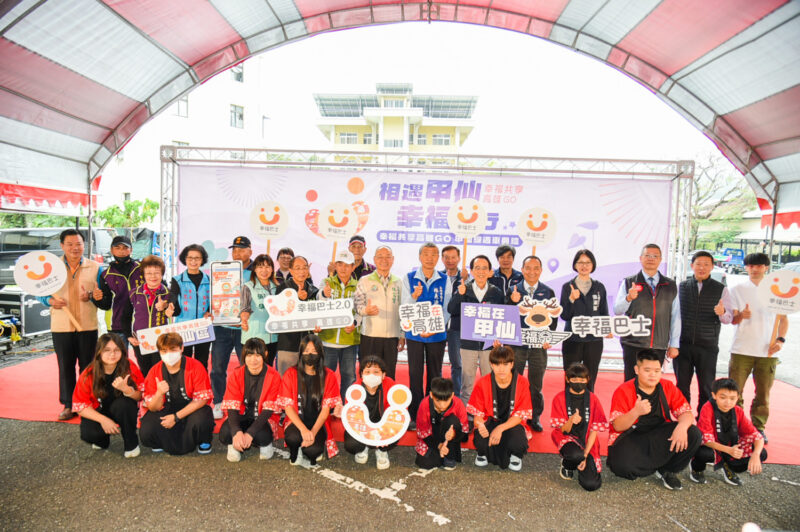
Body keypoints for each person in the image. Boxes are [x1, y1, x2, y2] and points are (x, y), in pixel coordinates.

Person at [606, 350, 702, 490]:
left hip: (659, 432)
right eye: (647, 370)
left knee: (693, 433)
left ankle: (668, 470)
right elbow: (618, 426)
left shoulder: (667, 386)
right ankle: (655, 465)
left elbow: (686, 413)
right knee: (622, 468)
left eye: (657, 371)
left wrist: (681, 427)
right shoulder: (624, 390)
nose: (653, 375)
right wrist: (636, 412)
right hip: (631, 435)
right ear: (637, 370)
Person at [38, 229, 102, 420]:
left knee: (88, 366)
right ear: (62, 246)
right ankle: (68, 405)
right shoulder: (51, 268)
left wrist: (91, 296)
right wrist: (50, 301)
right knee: (65, 366)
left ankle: (87, 401)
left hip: (87, 324)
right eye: (70, 244)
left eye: (79, 244)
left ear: (84, 245)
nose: (75, 248)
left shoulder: (95, 267)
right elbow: (40, 292)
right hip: (61, 325)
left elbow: (102, 294)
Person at [727, 252, 788, 442]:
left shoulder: (777, 290)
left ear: (766, 268)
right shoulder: (736, 289)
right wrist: (741, 316)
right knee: (734, 392)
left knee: (763, 393)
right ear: (746, 267)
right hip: (741, 349)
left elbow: (783, 320)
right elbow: (732, 320)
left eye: (759, 266)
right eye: (751, 266)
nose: (755, 269)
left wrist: (780, 341)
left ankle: (758, 428)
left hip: (767, 351)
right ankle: (737, 427)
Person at [675, 250, 734, 413]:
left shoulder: (721, 289)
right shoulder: (682, 287)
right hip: (683, 345)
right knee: (682, 386)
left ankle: (704, 419)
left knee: (707, 387)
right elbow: (675, 316)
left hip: (707, 347)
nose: (702, 268)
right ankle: (683, 417)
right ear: (692, 266)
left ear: (712, 267)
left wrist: (722, 312)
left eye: (706, 264)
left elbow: (729, 319)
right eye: (698, 264)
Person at [614, 243, 680, 381]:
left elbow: (676, 317)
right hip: (633, 343)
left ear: (660, 259)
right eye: (647, 255)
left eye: (655, 256)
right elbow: (618, 310)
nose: (651, 258)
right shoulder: (629, 282)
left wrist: (674, 344)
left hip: (659, 344)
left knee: (652, 382)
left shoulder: (670, 285)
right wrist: (628, 298)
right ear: (640, 258)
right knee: (631, 382)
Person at [140, 332, 215, 455]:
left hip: (192, 407)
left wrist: (176, 417)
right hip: (166, 407)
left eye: (173, 349)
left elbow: (202, 399)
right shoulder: (154, 371)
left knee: (202, 420)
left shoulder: (195, 366)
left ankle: (203, 440)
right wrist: (159, 393)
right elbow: (153, 407)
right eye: (164, 351)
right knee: (146, 430)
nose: (169, 354)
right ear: (159, 352)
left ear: (182, 348)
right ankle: (159, 442)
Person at [72, 333, 144, 458]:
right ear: (99, 352)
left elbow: (140, 396)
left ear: (122, 351)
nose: (112, 354)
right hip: (98, 411)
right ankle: (103, 440)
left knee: (125, 405)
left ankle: (131, 442)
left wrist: (127, 390)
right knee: (89, 434)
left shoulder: (129, 366)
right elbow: (80, 406)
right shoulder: (89, 373)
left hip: (120, 409)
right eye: (107, 350)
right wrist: (103, 420)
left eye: (116, 350)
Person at [401, 242, 451, 420]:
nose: (430, 258)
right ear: (420, 257)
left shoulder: (445, 279)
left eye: (434, 255)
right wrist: (414, 296)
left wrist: (434, 328)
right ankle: (415, 412)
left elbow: (447, 308)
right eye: (426, 254)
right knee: (414, 373)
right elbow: (404, 305)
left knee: (434, 374)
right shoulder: (409, 277)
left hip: (436, 335)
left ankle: (433, 411)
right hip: (414, 334)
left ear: (438, 258)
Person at [447, 255, 505, 404]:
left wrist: (500, 338)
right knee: (467, 384)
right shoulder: (463, 288)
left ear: (490, 272)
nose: (481, 271)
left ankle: (488, 412)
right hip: (467, 344)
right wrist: (459, 295)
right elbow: (451, 310)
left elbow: (503, 317)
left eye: (484, 268)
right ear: (471, 271)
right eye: (477, 268)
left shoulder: (497, 292)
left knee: (489, 382)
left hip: (489, 345)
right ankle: (466, 415)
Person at [507, 255, 556, 432]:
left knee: (536, 384)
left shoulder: (548, 291)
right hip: (517, 345)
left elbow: (553, 318)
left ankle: (534, 417)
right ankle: (514, 414)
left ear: (541, 270)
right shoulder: (513, 290)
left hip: (538, 347)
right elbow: (504, 315)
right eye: (528, 268)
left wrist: (548, 338)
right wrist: (511, 302)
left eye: (536, 268)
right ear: (522, 269)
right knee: (514, 382)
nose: (532, 272)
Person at [278, 334, 341, 466]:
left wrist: (312, 433)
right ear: (301, 353)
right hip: (296, 421)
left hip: (318, 423)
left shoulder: (329, 375)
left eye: (314, 351)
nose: (310, 354)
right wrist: (304, 430)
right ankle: (295, 451)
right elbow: (288, 407)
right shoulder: (290, 373)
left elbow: (325, 411)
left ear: (320, 353)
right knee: (293, 438)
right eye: (306, 351)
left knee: (313, 452)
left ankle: (311, 445)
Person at [689, 378, 767, 486]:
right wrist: (729, 450)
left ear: (738, 397)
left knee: (761, 452)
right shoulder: (707, 408)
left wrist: (756, 455)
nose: (728, 402)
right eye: (723, 397)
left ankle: (729, 466)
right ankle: (696, 469)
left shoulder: (738, 410)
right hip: (713, 447)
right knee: (703, 453)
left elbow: (756, 436)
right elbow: (706, 439)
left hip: (731, 446)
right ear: (714, 395)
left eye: (732, 398)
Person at [467, 345, 532, 472]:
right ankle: (482, 453)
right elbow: (477, 415)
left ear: (512, 364)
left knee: (518, 443)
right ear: (491, 365)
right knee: (480, 439)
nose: (501, 369)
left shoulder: (522, 382)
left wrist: (500, 428)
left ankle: (515, 455)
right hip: (490, 420)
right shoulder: (482, 382)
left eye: (505, 364)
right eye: (497, 364)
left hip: (512, 422)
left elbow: (520, 416)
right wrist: (480, 425)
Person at [210, 236, 254, 419]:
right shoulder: (223, 269)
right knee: (218, 366)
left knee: (247, 367)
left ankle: (246, 401)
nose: (237, 253)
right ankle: (218, 402)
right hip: (222, 325)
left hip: (245, 327)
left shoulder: (257, 271)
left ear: (250, 251)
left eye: (242, 249)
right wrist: (211, 310)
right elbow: (215, 293)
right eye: (234, 250)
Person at [219, 338, 282, 462]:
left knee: (263, 436)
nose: (253, 360)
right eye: (249, 355)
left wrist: (250, 433)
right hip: (241, 415)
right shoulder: (237, 374)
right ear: (244, 355)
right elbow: (232, 406)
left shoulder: (274, 376)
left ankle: (264, 443)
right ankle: (234, 444)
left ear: (265, 354)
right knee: (226, 433)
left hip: (263, 418)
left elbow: (268, 410)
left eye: (257, 355)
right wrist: (236, 432)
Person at [550, 363, 606, 491]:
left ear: (588, 379)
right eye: (574, 380)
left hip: (587, 441)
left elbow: (594, 430)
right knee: (575, 455)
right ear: (567, 379)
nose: (578, 383)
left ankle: (580, 459)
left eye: (582, 380)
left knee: (591, 484)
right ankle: (568, 465)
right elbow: (562, 430)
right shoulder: (559, 398)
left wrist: (585, 455)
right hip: (567, 438)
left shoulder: (593, 399)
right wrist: (570, 420)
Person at [559, 249, 609, 391]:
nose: (584, 266)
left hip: (594, 340)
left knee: (590, 378)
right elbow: (564, 315)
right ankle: (569, 403)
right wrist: (571, 299)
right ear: (575, 265)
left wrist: (606, 329)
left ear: (593, 265)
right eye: (580, 262)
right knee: (571, 376)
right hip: (572, 339)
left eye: (588, 262)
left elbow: (604, 313)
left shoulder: (599, 287)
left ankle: (588, 403)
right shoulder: (567, 287)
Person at [355, 245, 404, 379]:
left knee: (389, 375)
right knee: (368, 374)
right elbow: (357, 305)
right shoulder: (365, 280)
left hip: (392, 337)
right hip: (370, 336)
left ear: (392, 259)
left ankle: (386, 394)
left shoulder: (399, 282)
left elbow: (402, 311)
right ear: (374, 259)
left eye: (388, 257)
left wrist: (402, 334)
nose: (384, 260)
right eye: (380, 257)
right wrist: (365, 310)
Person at [89, 235, 143, 350]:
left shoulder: (142, 269)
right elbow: (106, 305)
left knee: (147, 360)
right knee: (119, 359)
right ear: (112, 250)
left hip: (142, 323)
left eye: (125, 248)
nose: (121, 251)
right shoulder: (106, 275)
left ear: (131, 250)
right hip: (117, 325)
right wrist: (96, 299)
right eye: (117, 248)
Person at [344, 356, 398, 469]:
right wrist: (366, 436)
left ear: (383, 375)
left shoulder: (391, 385)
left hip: (382, 425)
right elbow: (351, 417)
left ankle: (381, 451)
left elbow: (398, 412)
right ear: (361, 374)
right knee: (351, 444)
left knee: (396, 433)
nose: (371, 375)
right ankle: (364, 447)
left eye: (376, 372)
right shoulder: (355, 388)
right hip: (362, 426)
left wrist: (387, 434)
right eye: (367, 372)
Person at [320, 250, 360, 400]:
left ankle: (346, 406)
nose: (343, 268)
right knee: (325, 377)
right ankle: (325, 407)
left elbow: (361, 309)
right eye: (340, 264)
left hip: (349, 341)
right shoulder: (326, 282)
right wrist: (323, 294)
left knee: (349, 377)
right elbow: (318, 303)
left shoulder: (358, 285)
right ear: (335, 266)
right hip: (328, 339)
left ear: (353, 267)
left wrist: (355, 323)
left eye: (347, 265)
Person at [124, 255, 171, 378]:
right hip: (140, 340)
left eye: (157, 273)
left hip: (161, 340)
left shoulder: (169, 293)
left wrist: (166, 305)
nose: (153, 276)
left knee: (160, 371)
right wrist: (129, 336)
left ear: (162, 274)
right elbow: (125, 316)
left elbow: (177, 311)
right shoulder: (134, 293)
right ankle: (148, 391)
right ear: (143, 275)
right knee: (145, 371)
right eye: (149, 273)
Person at [168, 244, 212, 370]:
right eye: (190, 258)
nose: (193, 261)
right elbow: (173, 296)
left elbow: (213, 301)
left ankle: (201, 383)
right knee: (183, 361)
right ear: (185, 259)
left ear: (202, 260)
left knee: (202, 362)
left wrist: (209, 311)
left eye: (197, 258)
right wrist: (170, 306)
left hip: (204, 326)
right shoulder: (177, 280)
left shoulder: (209, 280)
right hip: (184, 327)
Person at [275, 256, 320, 375]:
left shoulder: (314, 290)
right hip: (287, 344)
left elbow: (316, 315)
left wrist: (317, 327)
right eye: (298, 268)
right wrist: (297, 299)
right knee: (286, 379)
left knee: (307, 379)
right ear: (290, 270)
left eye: (304, 268)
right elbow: (279, 314)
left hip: (308, 347)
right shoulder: (283, 288)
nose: (302, 271)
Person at [415, 377, 468, 470]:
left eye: (446, 401)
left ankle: (450, 457)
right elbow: (423, 434)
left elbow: (465, 436)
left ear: (452, 395)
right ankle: (440, 455)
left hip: (451, 440)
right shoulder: (424, 404)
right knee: (425, 463)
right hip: (432, 439)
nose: (442, 405)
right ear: (431, 395)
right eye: (438, 401)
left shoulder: (458, 404)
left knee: (452, 420)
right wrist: (440, 446)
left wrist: (454, 434)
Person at [240, 254, 279, 367]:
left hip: (273, 337)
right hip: (253, 337)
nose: (264, 270)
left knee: (268, 369)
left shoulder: (277, 287)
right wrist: (244, 320)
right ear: (255, 269)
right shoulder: (248, 287)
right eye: (260, 267)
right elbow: (245, 308)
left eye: (267, 267)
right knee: (252, 369)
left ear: (272, 269)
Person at [441, 245, 466, 399]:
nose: (450, 260)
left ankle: (457, 395)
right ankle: (437, 392)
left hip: (457, 327)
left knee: (457, 363)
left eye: (453, 257)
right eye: (446, 257)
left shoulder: (465, 279)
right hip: (438, 326)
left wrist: (467, 280)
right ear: (442, 259)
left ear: (459, 258)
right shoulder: (438, 277)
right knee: (435, 362)